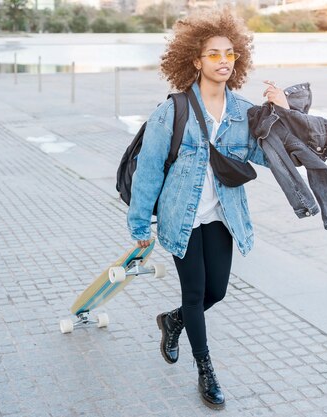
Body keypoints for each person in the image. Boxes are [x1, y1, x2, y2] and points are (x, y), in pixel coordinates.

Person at [127, 8, 289, 410]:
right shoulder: (173, 110)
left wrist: (281, 113)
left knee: (216, 290)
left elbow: (272, 155)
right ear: (196, 61)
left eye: (230, 54)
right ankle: (205, 369)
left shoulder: (243, 112)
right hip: (180, 218)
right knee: (196, 291)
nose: (223, 61)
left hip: (221, 216)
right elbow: (148, 169)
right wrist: (139, 224)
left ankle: (173, 319)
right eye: (214, 54)